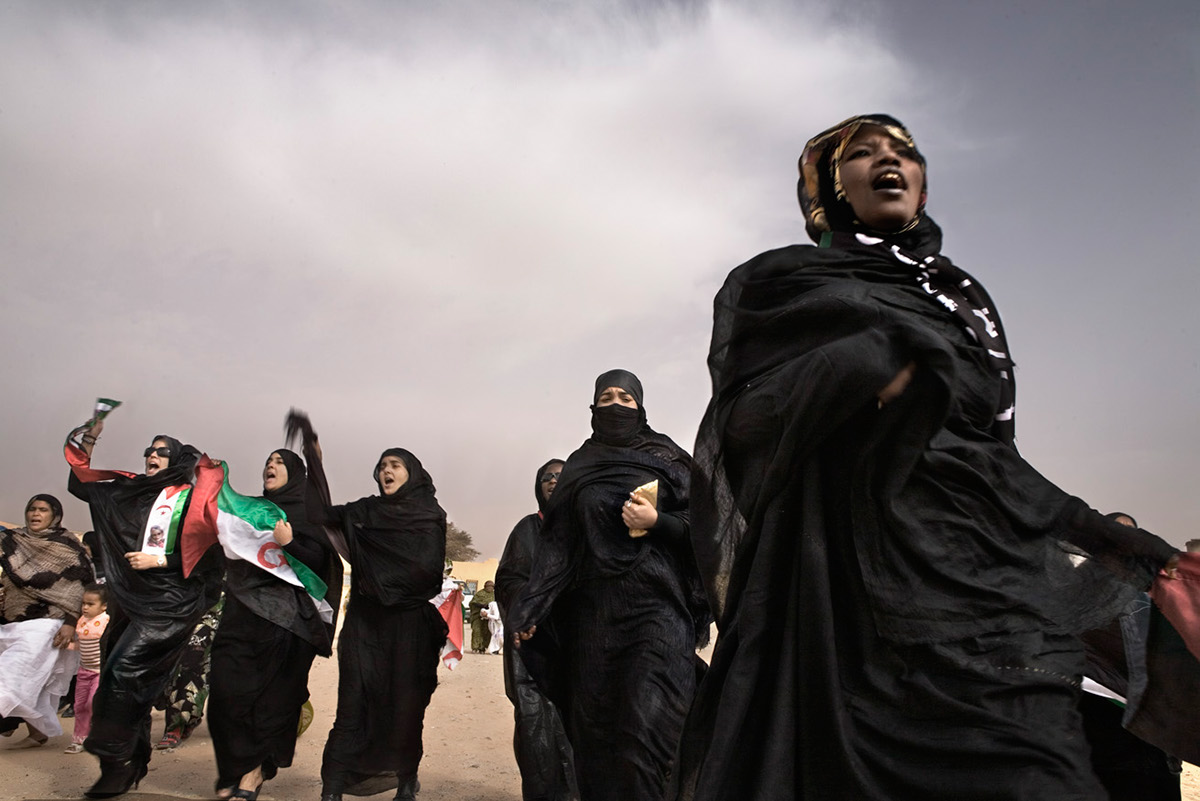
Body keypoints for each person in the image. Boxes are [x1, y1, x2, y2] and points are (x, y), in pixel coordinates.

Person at [668, 114, 1181, 800]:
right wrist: (859, 365)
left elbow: (991, 460)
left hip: (975, 581)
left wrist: (1117, 539)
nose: (890, 160)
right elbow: (744, 425)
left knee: (1040, 768)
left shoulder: (963, 301)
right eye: (864, 153)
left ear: (924, 184)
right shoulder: (783, 283)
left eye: (903, 151)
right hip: (849, 600)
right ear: (833, 189)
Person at [508, 370, 710, 801]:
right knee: (599, 734)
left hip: (657, 609)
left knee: (647, 723)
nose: (616, 404)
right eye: (606, 396)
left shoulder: (669, 458)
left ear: (640, 406)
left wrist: (659, 523)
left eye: (626, 397)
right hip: (594, 619)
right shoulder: (581, 465)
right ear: (593, 408)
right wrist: (532, 607)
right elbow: (559, 546)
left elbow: (708, 528)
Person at [66, 420, 221, 798]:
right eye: (149, 450)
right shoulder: (130, 492)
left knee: (121, 673)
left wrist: (162, 562)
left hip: (169, 602)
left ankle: (115, 763)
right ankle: (130, 760)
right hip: (128, 597)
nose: (152, 455)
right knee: (122, 682)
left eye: (161, 451)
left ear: (177, 459)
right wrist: (89, 440)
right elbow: (79, 484)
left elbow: (213, 555)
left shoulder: (193, 499)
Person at [296, 425, 447, 801]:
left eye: (395, 464)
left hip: (409, 627)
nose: (386, 471)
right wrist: (314, 461)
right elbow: (317, 513)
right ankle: (332, 787)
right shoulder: (363, 511)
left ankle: (406, 780)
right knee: (352, 704)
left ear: (411, 472)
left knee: (405, 710)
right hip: (365, 624)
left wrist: (384, 583)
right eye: (381, 466)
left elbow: (426, 571)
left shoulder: (428, 514)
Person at [208, 448, 341, 800]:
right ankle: (233, 767)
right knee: (225, 694)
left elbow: (321, 564)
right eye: (268, 461)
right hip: (241, 612)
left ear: (296, 474)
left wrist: (291, 542)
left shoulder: (305, 516)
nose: (271, 465)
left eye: (280, 462)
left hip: (288, 622)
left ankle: (252, 773)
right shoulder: (248, 512)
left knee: (273, 702)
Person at [496, 458, 579, 801]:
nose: (552, 481)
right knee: (536, 734)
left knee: (582, 733)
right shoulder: (526, 530)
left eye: (561, 476)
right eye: (546, 477)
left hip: (578, 649)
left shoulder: (587, 527)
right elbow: (508, 579)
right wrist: (529, 610)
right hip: (531, 650)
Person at [0, 494, 93, 747]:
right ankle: (37, 732)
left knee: (11, 674)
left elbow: (80, 588)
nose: (35, 514)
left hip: (47, 623)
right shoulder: (11, 540)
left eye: (43, 509)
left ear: (55, 515)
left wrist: (70, 623)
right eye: (32, 509)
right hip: (10, 621)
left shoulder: (66, 545)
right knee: (33, 681)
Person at [66, 583, 110, 754]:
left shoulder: (106, 621)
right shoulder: (81, 621)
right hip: (84, 672)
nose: (85, 607)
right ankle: (79, 739)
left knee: (94, 703)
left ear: (104, 606)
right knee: (80, 706)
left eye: (90, 604)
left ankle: (100, 736)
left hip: (100, 672)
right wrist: (68, 646)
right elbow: (81, 644)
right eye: (83, 603)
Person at [469, 581, 496, 654]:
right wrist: (482, 606)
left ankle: (483, 647)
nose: (490, 588)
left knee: (486, 632)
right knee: (477, 631)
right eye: (488, 586)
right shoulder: (479, 594)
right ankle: (475, 647)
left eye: (491, 586)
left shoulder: (494, 595)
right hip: (478, 615)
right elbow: (472, 603)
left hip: (489, 617)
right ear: (485, 586)